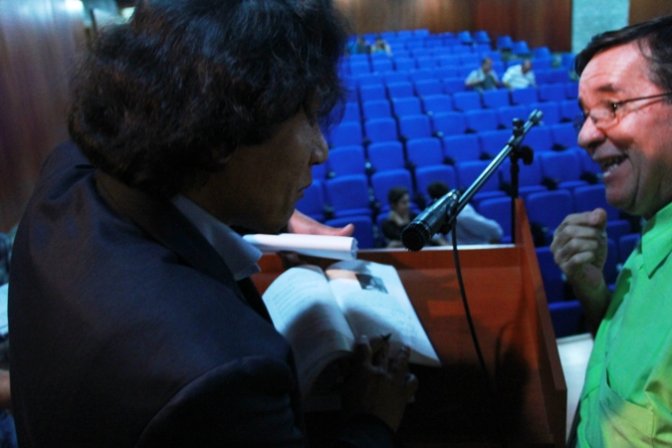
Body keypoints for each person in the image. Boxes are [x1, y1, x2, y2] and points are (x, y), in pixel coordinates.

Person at [8, 1, 418, 446]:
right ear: (220, 133)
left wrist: (257, 214)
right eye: (309, 118)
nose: (320, 151)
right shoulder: (219, 379)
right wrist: (371, 420)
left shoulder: (65, 176)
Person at [549, 15, 672, 446]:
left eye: (613, 106)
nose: (584, 136)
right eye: (586, 115)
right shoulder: (655, 223)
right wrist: (593, 291)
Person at [426, 182, 503, 245]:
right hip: (459, 251)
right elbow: (432, 232)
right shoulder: (441, 214)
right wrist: (442, 243)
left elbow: (495, 230)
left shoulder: (462, 214)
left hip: (477, 252)